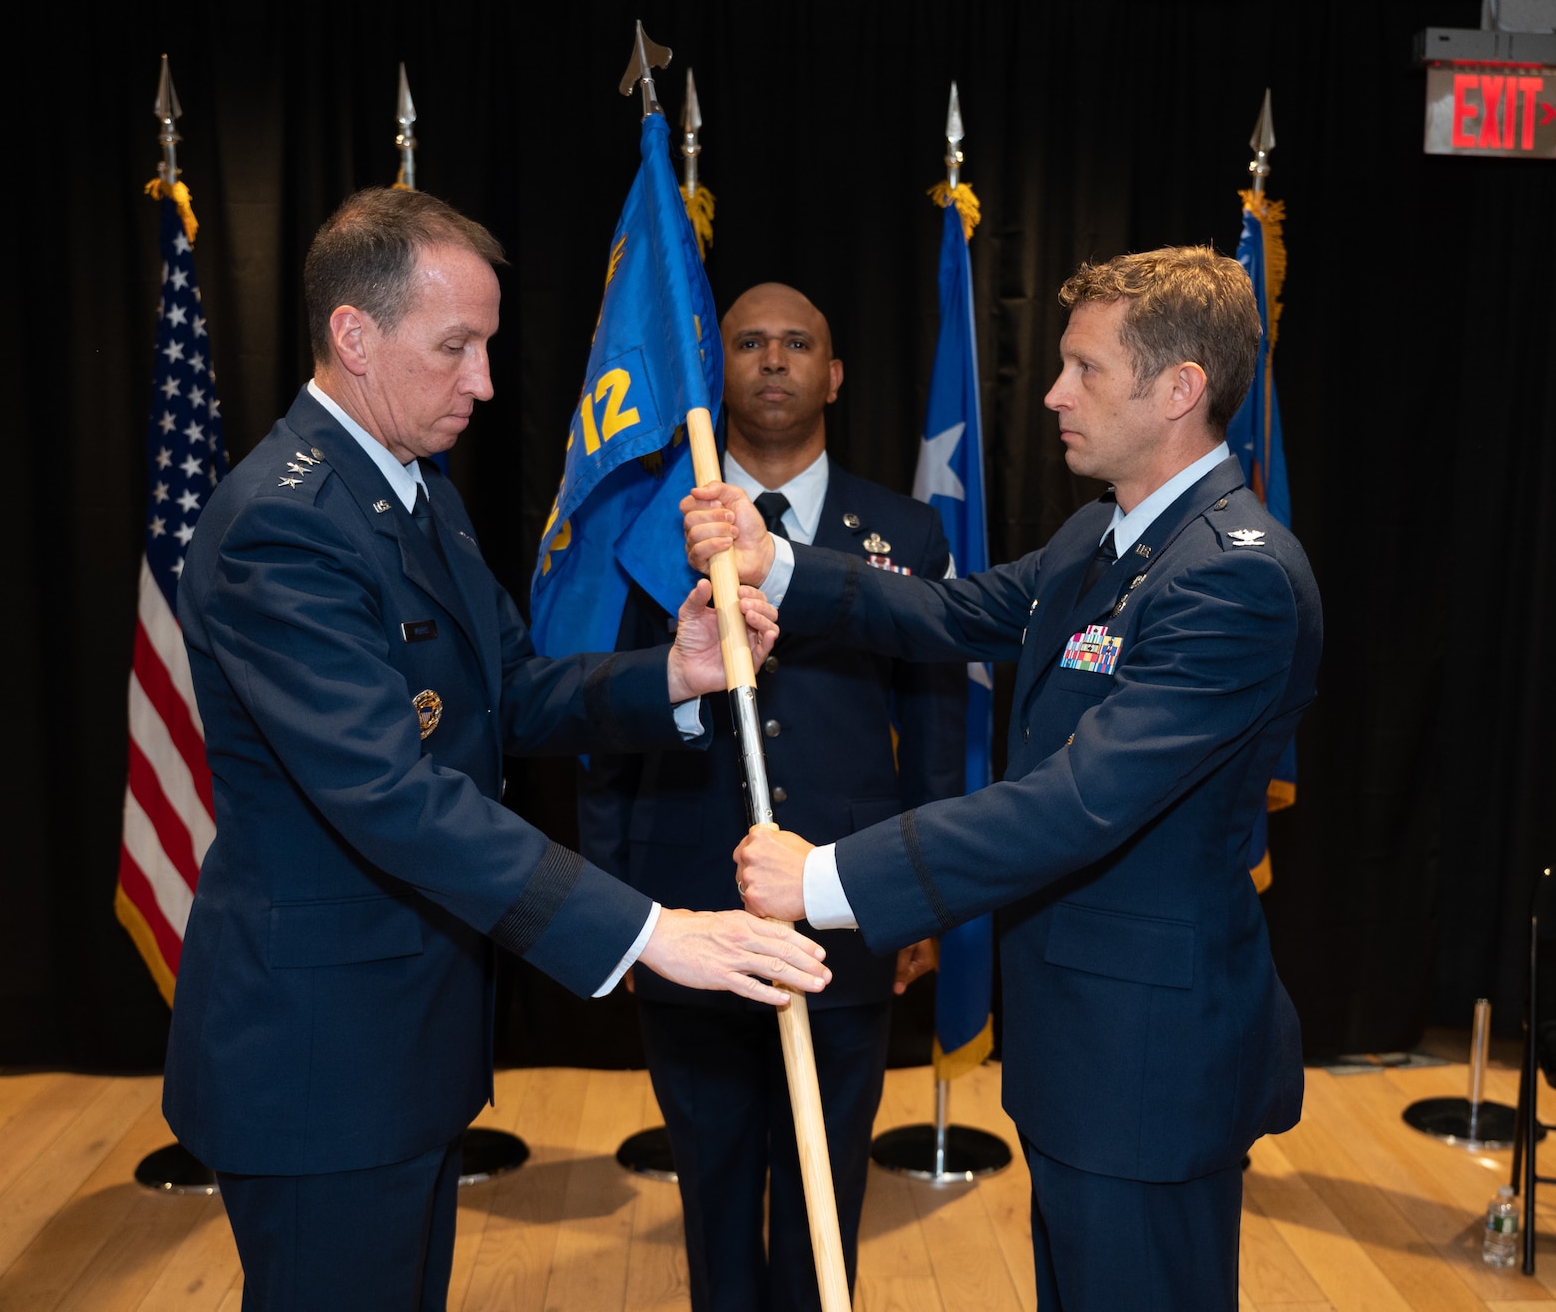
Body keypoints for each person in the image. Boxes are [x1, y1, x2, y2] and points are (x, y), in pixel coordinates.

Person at [164, 188, 832, 1312]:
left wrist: (671, 674)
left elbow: (505, 693)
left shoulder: (413, 491)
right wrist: (648, 930)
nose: (482, 381)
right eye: (455, 348)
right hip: (320, 1057)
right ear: (353, 336)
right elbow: (392, 794)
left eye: (485, 346)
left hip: (399, 1043)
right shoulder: (284, 525)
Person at [688, 246, 1322, 1310]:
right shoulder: (1102, 535)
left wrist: (828, 881)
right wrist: (774, 561)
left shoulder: (1233, 577)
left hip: (1148, 1060)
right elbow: (947, 613)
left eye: (1083, 370)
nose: (1051, 394)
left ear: (1177, 390)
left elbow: (1076, 801)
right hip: (1082, 1043)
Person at [579, 283, 963, 1311]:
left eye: (799, 343)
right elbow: (609, 723)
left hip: (845, 909)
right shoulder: (650, 532)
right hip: (684, 901)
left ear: (834, 374)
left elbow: (933, 726)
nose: (774, 360)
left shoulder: (902, 531)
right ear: (721, 372)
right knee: (708, 1181)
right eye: (748, 342)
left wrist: (917, 896)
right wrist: (612, 899)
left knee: (825, 1183)